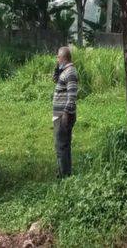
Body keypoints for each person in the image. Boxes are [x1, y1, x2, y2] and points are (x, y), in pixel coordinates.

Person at [52, 46, 78, 178]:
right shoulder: (65, 71)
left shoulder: (70, 72)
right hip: (60, 114)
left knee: (61, 145)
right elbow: (55, 80)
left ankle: (64, 175)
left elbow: (72, 95)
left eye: (58, 57)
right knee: (64, 145)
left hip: (64, 115)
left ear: (63, 57)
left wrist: (66, 114)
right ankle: (65, 172)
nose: (57, 59)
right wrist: (57, 68)